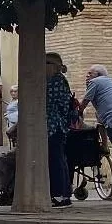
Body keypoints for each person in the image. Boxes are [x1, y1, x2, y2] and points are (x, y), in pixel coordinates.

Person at [46, 54, 75, 207]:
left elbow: (52, 103)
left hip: (54, 126)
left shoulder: (56, 80)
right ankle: (62, 193)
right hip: (56, 126)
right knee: (58, 160)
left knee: (55, 160)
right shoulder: (56, 80)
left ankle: (59, 194)